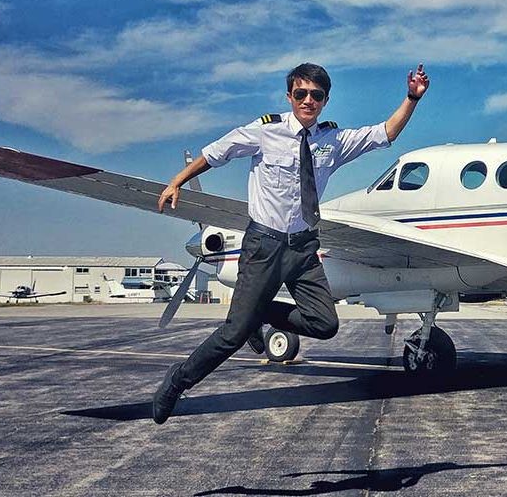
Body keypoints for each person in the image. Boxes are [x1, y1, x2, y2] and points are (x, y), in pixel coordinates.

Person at [153, 62, 430, 424]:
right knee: (233, 334)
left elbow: (385, 133)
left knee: (324, 324)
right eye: (301, 94)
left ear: (325, 100)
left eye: (316, 95)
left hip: (303, 249)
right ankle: (177, 381)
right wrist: (177, 180)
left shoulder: (333, 140)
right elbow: (216, 153)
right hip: (264, 245)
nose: (308, 100)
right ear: (289, 96)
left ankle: (261, 313)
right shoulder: (265, 132)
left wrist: (411, 98)